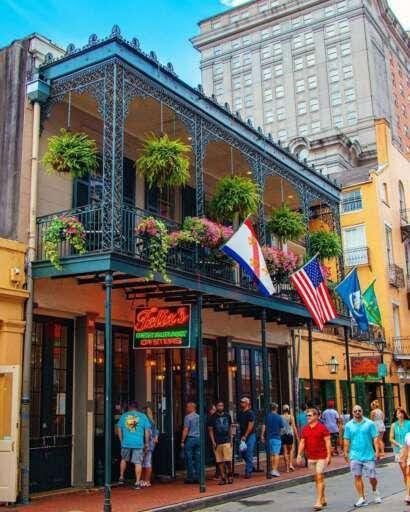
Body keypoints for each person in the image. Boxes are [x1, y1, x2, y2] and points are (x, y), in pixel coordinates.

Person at [344, 404, 382, 507]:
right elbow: (346, 439)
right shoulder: (348, 425)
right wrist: (345, 452)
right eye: (355, 411)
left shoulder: (370, 423)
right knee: (357, 476)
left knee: (372, 477)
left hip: (368, 455)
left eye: (359, 410)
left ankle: (375, 490)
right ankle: (362, 497)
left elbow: (375, 438)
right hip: (354, 455)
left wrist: (377, 451)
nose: (357, 412)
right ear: (352, 413)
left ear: (362, 411)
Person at [296, 408, 331, 511]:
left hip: (321, 456)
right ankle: (322, 497)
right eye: (307, 416)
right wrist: (299, 455)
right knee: (317, 478)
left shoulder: (322, 428)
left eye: (310, 415)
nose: (308, 417)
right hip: (311, 457)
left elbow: (328, 442)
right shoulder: (305, 429)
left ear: (316, 416)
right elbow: (302, 442)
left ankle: (318, 501)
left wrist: (329, 455)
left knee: (319, 476)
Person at [117, 401, 151, 489]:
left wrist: (121, 441)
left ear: (129, 407)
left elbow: (119, 429)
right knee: (138, 462)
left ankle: (121, 477)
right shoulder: (143, 416)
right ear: (137, 408)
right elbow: (147, 431)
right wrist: (146, 443)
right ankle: (137, 482)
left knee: (124, 459)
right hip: (138, 442)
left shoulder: (124, 416)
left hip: (126, 442)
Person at [208, 400, 234, 485]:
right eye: (219, 405)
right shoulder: (212, 417)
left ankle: (230, 475)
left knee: (228, 460)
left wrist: (231, 439)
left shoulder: (227, 415)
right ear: (216, 407)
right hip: (217, 441)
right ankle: (223, 478)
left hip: (226, 440)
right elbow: (210, 430)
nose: (220, 407)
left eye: (222, 405)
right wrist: (213, 441)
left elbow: (230, 427)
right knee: (220, 461)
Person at [389, 407, 410, 503]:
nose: (400, 415)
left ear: (404, 414)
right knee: (405, 473)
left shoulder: (408, 423)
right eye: (398, 413)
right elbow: (391, 438)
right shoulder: (394, 425)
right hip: (399, 451)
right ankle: (408, 491)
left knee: (408, 472)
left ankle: (408, 494)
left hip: (409, 450)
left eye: (402, 413)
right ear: (396, 415)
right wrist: (399, 445)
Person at [261, 402, 285, 477]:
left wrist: (262, 435)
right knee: (276, 453)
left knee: (271, 454)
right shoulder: (279, 417)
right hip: (276, 437)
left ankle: (272, 469)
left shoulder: (267, 416)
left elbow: (263, 426)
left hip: (269, 438)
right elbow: (282, 428)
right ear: (276, 408)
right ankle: (274, 470)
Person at [181, 402, 200, 484]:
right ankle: (198, 476)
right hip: (199, 439)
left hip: (191, 439)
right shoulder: (199, 417)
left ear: (192, 408)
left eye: (187, 407)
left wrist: (182, 441)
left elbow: (186, 429)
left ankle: (191, 477)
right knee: (198, 459)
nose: (186, 408)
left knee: (189, 459)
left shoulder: (188, 417)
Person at [237, 396, 256, 478]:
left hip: (250, 435)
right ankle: (250, 465)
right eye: (241, 402)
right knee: (242, 453)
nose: (241, 403)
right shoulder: (240, 413)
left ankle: (248, 471)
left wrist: (245, 435)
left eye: (243, 402)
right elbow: (238, 423)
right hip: (242, 435)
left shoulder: (250, 413)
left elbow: (251, 425)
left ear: (247, 403)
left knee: (248, 452)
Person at [140, 405, 159, 488]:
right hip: (150, 444)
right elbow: (156, 432)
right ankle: (147, 481)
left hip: (143, 444)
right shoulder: (152, 421)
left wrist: (146, 443)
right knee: (147, 463)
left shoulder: (143, 421)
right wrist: (155, 438)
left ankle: (142, 480)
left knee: (141, 463)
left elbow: (146, 433)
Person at [281, 404, 298, 472]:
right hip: (290, 434)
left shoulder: (280, 417)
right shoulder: (291, 417)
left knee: (285, 451)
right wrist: (297, 436)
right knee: (291, 450)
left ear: (283, 410)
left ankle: (287, 468)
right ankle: (290, 464)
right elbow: (294, 427)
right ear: (288, 410)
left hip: (283, 435)